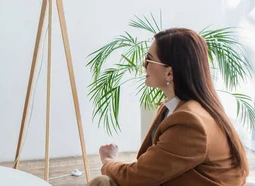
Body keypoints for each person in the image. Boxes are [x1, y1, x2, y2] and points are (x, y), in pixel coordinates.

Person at [88, 28, 249, 186]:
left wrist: (108, 160)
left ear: (170, 73)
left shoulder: (190, 121)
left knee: (102, 182)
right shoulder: (176, 108)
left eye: (149, 60)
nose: (144, 66)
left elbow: (136, 177)